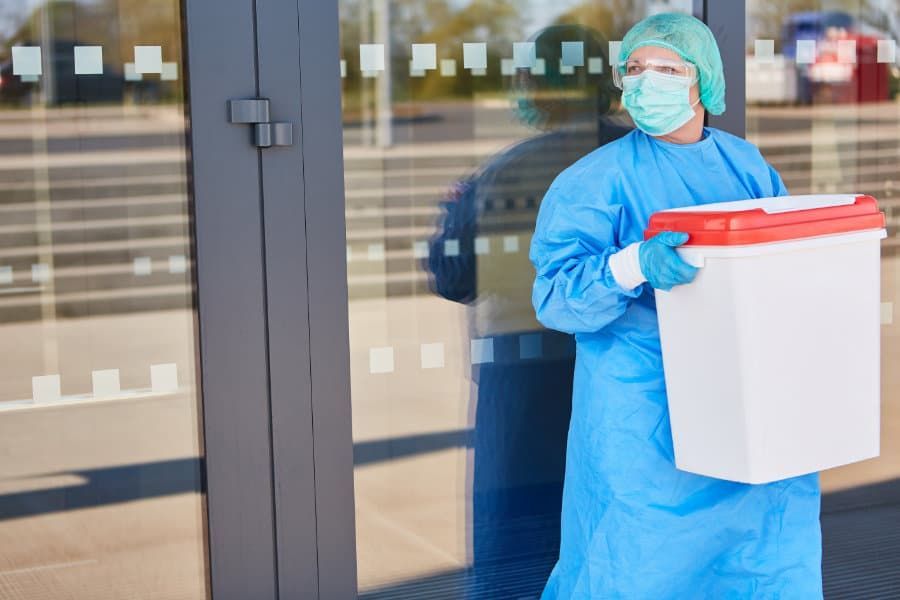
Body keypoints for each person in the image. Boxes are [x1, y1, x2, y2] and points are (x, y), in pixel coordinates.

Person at [530, 13, 822, 599]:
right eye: (635, 69)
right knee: (641, 562)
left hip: (743, 399)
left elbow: (785, 261)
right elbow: (555, 298)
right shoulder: (596, 180)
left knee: (759, 553)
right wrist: (633, 263)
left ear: (703, 83)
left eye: (666, 68)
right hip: (643, 412)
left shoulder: (746, 166)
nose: (645, 82)